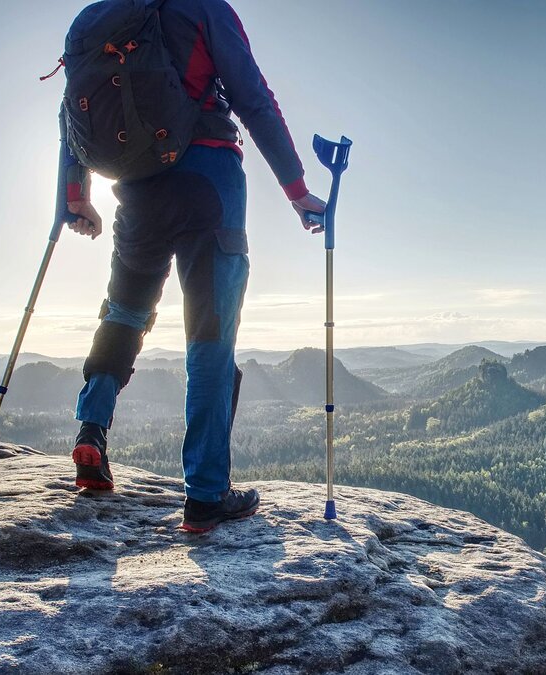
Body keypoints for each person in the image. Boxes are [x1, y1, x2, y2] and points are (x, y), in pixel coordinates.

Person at [60, 0, 326, 533]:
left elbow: (72, 115)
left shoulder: (98, 19)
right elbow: (252, 95)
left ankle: (92, 431)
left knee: (125, 310)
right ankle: (206, 494)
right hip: (209, 179)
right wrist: (297, 190)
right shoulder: (203, 7)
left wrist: (74, 194)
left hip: (136, 191)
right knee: (210, 332)